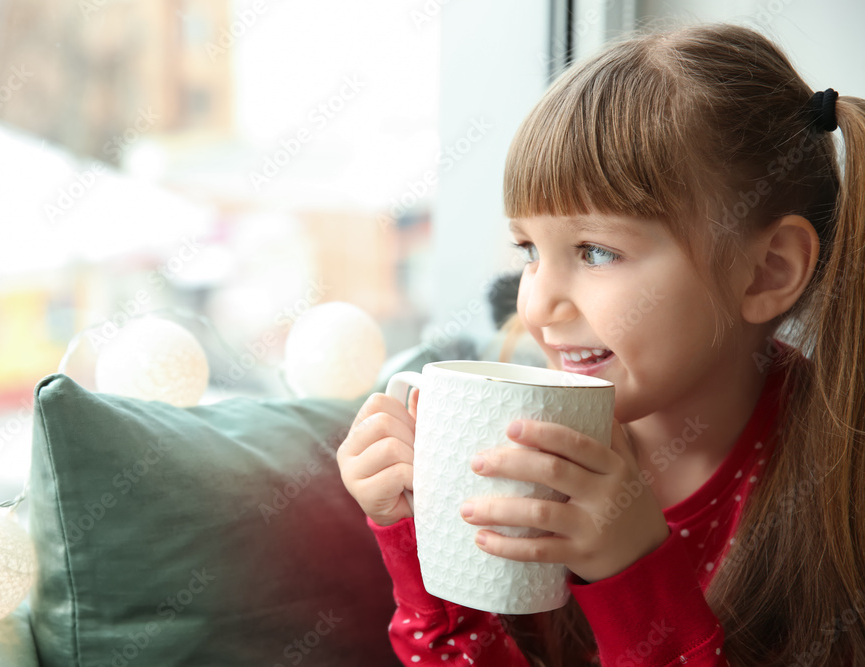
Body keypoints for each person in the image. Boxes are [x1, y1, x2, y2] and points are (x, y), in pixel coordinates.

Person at [337, 21, 865, 666]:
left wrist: (633, 574)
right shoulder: (531, 442)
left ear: (768, 270)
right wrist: (423, 543)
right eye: (529, 250)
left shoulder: (841, 483)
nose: (536, 306)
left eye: (595, 251)